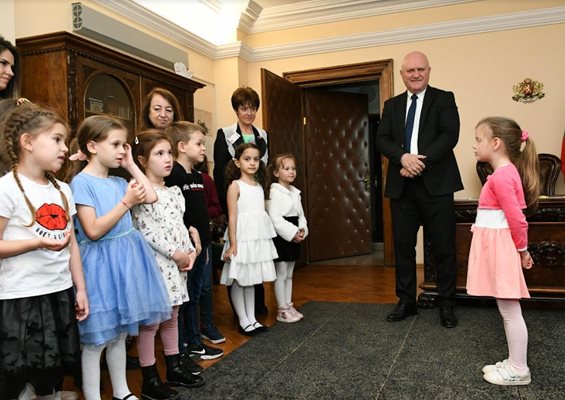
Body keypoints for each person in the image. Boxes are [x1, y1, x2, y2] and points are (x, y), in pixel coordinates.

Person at [68, 115, 171, 400]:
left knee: (119, 335)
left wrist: (130, 165)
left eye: (124, 145)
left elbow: (151, 196)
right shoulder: (81, 183)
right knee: (97, 339)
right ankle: (92, 395)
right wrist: (126, 202)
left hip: (126, 264)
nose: (120, 150)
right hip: (100, 267)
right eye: (115, 144)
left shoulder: (117, 180)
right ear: (91, 145)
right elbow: (92, 230)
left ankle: (122, 391)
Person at [0, 103, 89, 399]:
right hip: (20, 297)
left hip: (58, 293)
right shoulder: (6, 189)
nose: (64, 148)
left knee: (52, 368)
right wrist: (36, 242)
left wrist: (80, 289)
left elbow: (72, 244)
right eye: (57, 139)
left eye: (65, 141)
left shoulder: (63, 190)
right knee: (21, 372)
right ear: (27, 142)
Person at [375, 51, 463, 328]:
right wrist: (402, 158)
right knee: (402, 247)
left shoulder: (444, 98)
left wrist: (417, 162)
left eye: (420, 69)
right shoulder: (391, 105)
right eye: (410, 70)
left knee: (443, 247)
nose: (415, 74)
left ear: (428, 71)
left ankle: (446, 302)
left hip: (437, 187)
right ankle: (406, 301)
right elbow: (382, 139)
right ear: (402, 74)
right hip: (402, 188)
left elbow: (450, 135)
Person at [131, 130, 204, 399]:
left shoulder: (174, 191)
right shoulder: (140, 192)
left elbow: (180, 226)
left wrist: (190, 251)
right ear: (141, 160)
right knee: (151, 323)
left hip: (178, 264)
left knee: (173, 315)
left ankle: (173, 367)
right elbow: (147, 231)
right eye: (159, 154)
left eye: (169, 153)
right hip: (156, 264)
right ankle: (149, 379)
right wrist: (175, 253)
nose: (167, 159)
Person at [467, 117, 539, 386]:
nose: (474, 145)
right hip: (497, 249)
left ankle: (519, 369)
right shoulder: (502, 175)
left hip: (503, 250)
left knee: (510, 311)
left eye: (478, 139)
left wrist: (522, 250)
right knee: (507, 309)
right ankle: (513, 361)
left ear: (495, 143)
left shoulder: (502, 177)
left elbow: (517, 219)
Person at [165, 121, 224, 360]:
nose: (203, 149)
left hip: (203, 246)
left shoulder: (197, 176)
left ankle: (195, 341)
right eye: (198, 144)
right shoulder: (175, 175)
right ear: (181, 146)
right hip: (186, 249)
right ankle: (183, 346)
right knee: (185, 298)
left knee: (196, 295)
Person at [214, 86, 269, 315]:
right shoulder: (225, 134)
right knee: (238, 255)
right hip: (235, 198)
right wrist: (224, 208)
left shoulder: (262, 135)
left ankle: (257, 304)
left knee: (256, 251)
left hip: (255, 197)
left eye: (253, 108)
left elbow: (265, 168)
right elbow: (219, 172)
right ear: (236, 110)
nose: (249, 113)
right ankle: (241, 312)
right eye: (244, 108)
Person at [219, 143, 277, 336]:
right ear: (237, 162)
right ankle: (243, 320)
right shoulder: (235, 186)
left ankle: (252, 318)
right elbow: (233, 216)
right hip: (241, 239)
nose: (252, 163)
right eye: (247, 159)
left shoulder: (260, 186)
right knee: (239, 279)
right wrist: (233, 244)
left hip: (255, 240)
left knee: (251, 280)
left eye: (255, 159)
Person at [266, 154, 308, 323]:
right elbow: (275, 218)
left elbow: (301, 214)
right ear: (276, 172)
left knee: (290, 273)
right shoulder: (274, 192)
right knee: (281, 274)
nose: (291, 172)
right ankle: (281, 309)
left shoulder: (294, 192)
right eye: (286, 168)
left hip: (294, 232)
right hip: (283, 236)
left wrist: (302, 230)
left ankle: (288, 305)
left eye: (293, 168)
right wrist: (292, 233)